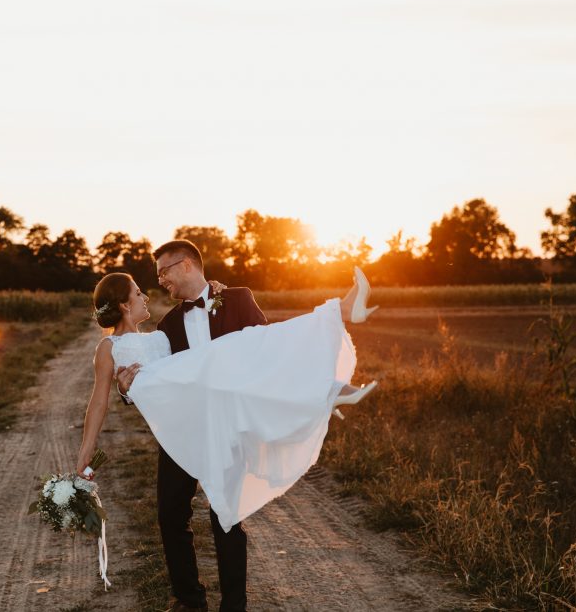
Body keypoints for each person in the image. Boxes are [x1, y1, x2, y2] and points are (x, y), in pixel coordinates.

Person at [74, 240, 377, 612]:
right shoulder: (167, 328)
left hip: (226, 427)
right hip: (183, 432)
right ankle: (189, 600)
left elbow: (266, 356)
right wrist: (127, 389)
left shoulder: (235, 298)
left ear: (185, 265)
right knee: (171, 513)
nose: (158, 284)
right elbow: (157, 379)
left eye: (163, 273)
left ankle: (235, 606)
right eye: (147, 284)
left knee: (226, 516)